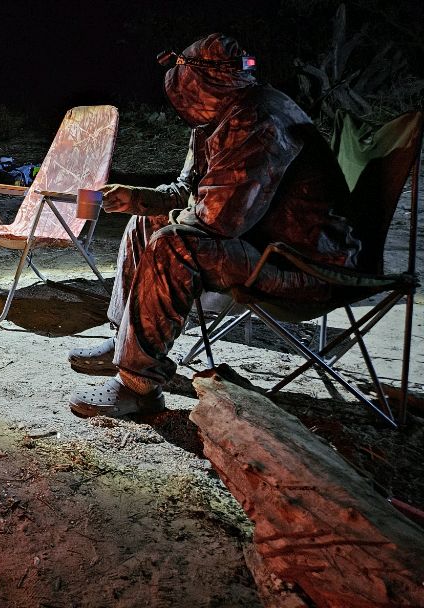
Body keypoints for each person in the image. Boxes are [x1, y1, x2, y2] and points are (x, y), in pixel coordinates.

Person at [68, 33, 360, 417]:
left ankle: (137, 385)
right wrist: (137, 198)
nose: (181, 97)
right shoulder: (218, 117)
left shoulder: (260, 118)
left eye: (185, 84)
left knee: (172, 245)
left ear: (205, 82)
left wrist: (173, 219)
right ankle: (124, 341)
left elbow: (219, 220)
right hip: (262, 244)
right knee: (145, 223)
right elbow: (188, 190)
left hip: (303, 264)